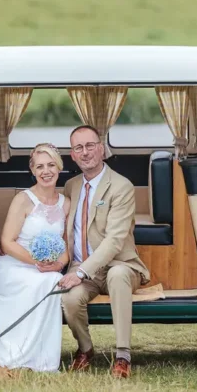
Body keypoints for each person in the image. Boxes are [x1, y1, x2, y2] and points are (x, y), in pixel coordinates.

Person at [58, 125, 150, 379]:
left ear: (101, 149)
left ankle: (122, 355)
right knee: (69, 298)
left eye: (90, 146)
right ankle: (85, 350)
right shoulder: (71, 186)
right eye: (79, 148)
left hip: (119, 265)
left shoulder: (122, 186)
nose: (85, 152)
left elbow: (115, 240)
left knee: (118, 274)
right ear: (73, 155)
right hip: (81, 267)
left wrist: (83, 271)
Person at [0, 143, 71, 373]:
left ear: (59, 167)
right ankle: (19, 354)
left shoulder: (65, 203)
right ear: (33, 170)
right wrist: (35, 263)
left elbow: (67, 244)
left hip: (47, 268)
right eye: (40, 167)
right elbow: (7, 241)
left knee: (52, 280)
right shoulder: (23, 200)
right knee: (44, 281)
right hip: (15, 265)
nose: (46, 171)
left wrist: (59, 263)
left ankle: (44, 360)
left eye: (50, 165)